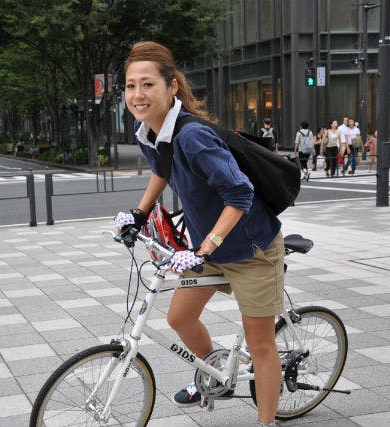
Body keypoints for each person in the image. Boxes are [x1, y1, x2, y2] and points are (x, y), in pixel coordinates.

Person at [114, 41, 283, 427]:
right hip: (208, 251)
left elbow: (241, 193)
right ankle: (216, 372)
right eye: (130, 86)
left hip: (251, 249)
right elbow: (162, 170)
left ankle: (266, 422)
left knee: (260, 345)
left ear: (171, 86)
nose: (137, 95)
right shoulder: (150, 130)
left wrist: (205, 247)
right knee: (180, 319)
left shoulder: (192, 136)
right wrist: (138, 214)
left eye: (147, 85)